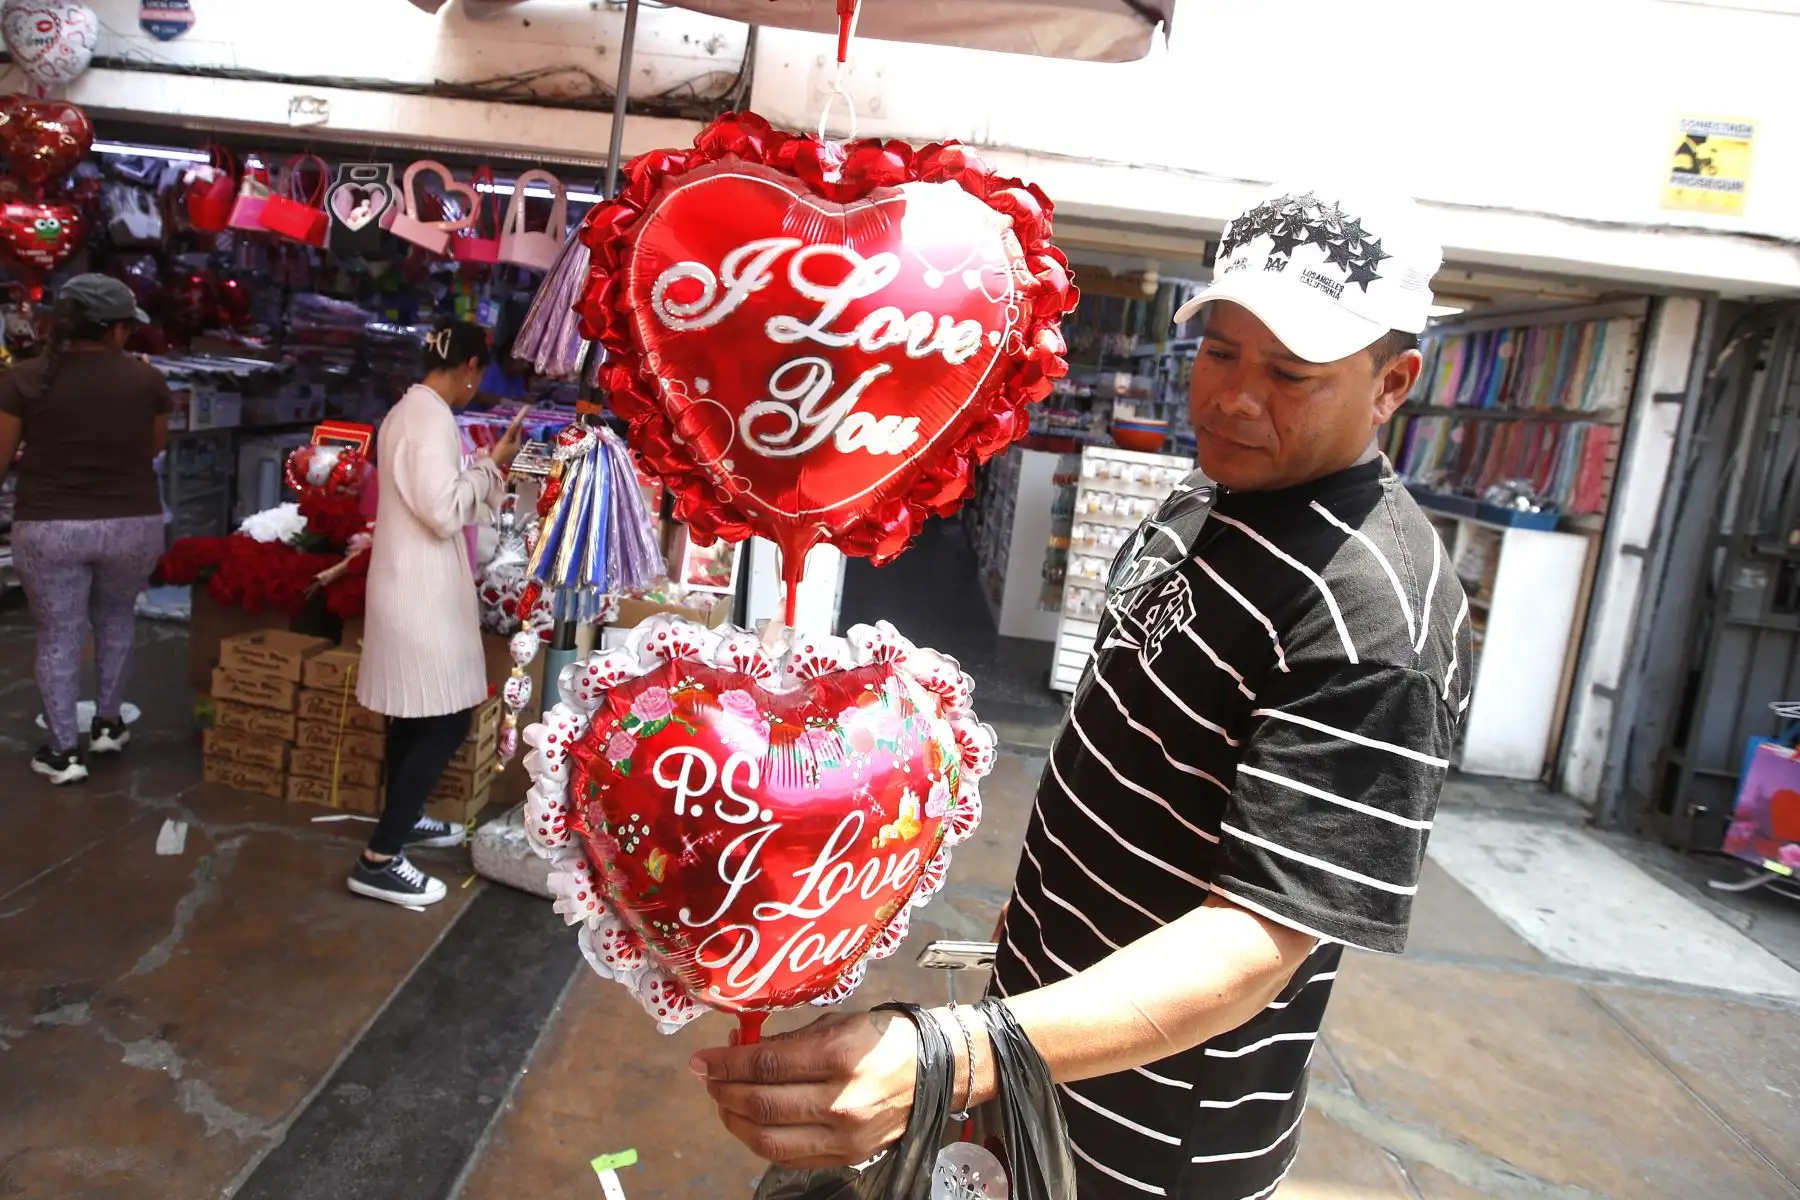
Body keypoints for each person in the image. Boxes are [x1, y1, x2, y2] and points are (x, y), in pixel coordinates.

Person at [687, 185, 1474, 1199]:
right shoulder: (1206, 495)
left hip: (1152, 1138)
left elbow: (1256, 943)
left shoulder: (1375, 619)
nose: (1234, 396)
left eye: (1290, 373)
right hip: (1042, 1049)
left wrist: (952, 1055)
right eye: (1221, 350)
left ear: (1392, 383)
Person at [349, 322, 524, 908]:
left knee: (419, 715)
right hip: (418, 593)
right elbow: (444, 509)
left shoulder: (412, 411)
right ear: (470, 366)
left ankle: (404, 818)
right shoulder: (428, 418)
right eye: (481, 373)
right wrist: (491, 465)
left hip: (413, 586)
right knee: (445, 718)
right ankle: (380, 856)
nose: (479, 385)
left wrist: (479, 467)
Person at [0, 275, 170, 785]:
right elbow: (152, 448)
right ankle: (108, 724)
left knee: (59, 635)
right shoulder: (147, 381)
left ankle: (61, 752)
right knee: (117, 618)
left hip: (50, 526)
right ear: (117, 330)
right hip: (132, 523)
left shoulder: (23, 380)